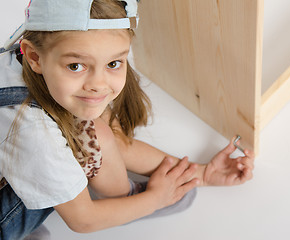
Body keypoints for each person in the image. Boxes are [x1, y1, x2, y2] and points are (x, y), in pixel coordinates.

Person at [0, 0, 255, 239]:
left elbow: (117, 143)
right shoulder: (32, 134)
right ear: (34, 57)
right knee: (92, 136)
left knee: (94, 133)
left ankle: (120, 198)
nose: (98, 85)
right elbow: (83, 220)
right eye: (76, 66)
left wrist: (202, 174)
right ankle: (125, 201)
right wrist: (155, 199)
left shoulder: (33, 52)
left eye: (113, 63)